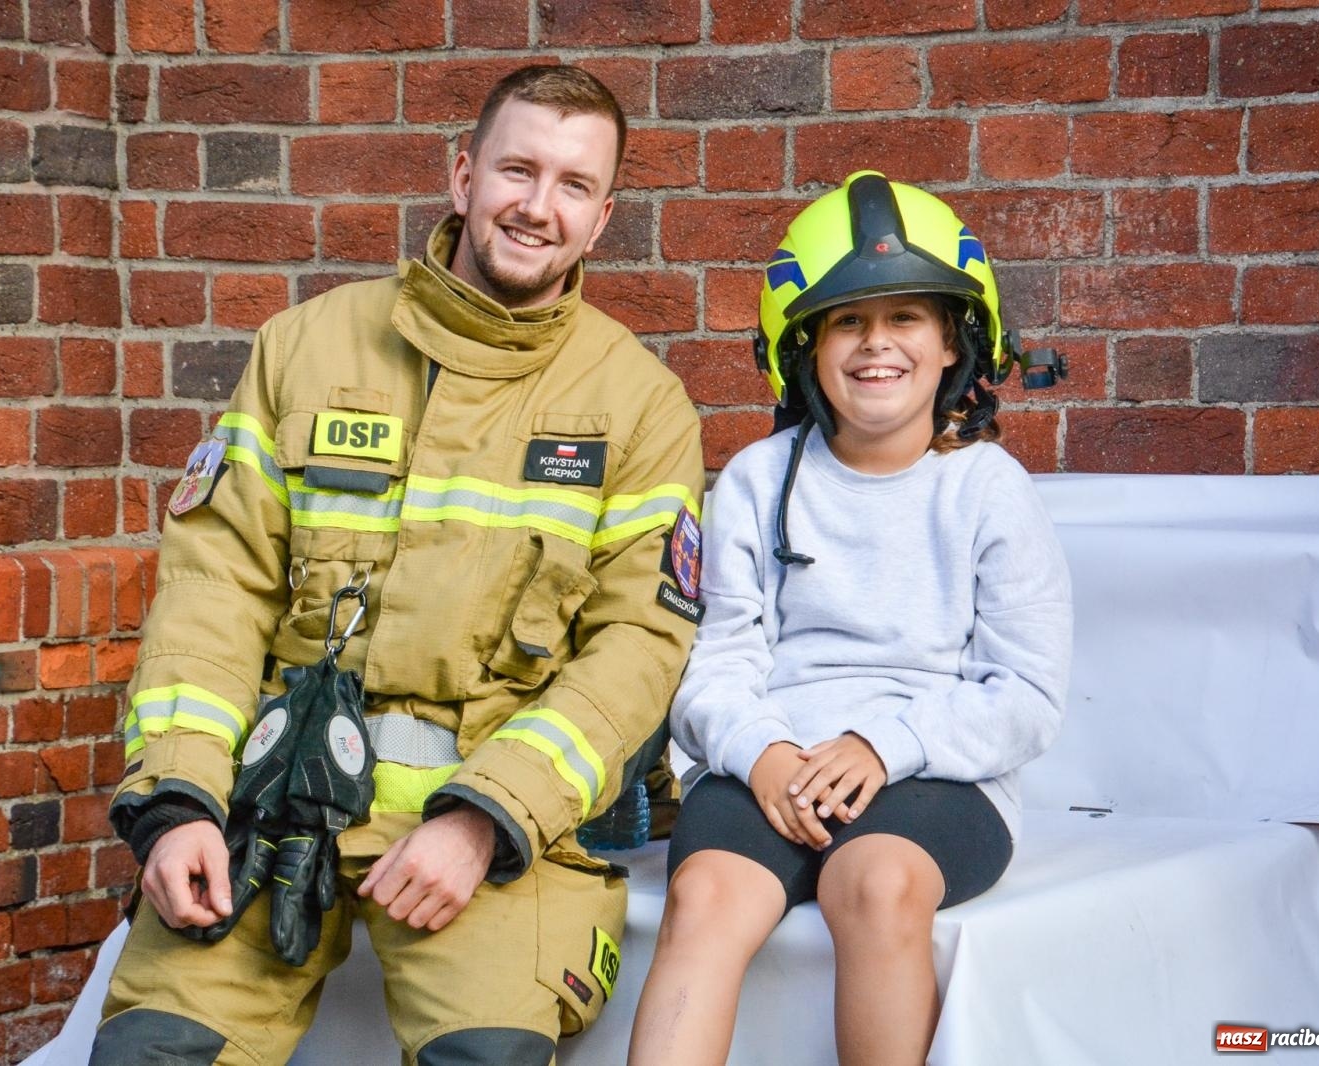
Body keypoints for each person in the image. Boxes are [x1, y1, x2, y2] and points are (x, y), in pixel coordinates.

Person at [92, 65, 705, 1066]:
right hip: (271, 813)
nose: (536, 207)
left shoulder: (638, 406)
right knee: (149, 1054)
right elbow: (216, 589)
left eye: (573, 185)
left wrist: (486, 817)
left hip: (492, 843)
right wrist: (176, 803)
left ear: (601, 221)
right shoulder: (303, 348)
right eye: (517, 169)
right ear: (463, 176)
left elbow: (639, 646)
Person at [627, 171, 1073, 1066]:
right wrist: (762, 754)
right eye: (847, 322)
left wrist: (882, 745)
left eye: (906, 317)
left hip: (934, 771)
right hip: (776, 763)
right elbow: (717, 662)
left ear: (954, 342)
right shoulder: (757, 479)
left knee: (874, 883)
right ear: (803, 347)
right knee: (708, 894)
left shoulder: (989, 490)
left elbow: (1026, 694)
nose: (877, 345)